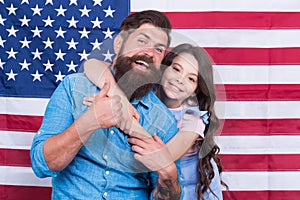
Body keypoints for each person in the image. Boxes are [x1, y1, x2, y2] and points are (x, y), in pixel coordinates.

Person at [30, 10, 183, 199]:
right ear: (119, 43)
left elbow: (170, 196)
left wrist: (169, 174)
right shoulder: (74, 88)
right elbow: (42, 165)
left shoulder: (163, 121)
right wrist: (90, 121)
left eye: (159, 49)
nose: (149, 53)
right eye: (142, 41)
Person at [83, 43, 228, 199]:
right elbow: (92, 65)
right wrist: (118, 97)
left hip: (190, 188)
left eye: (191, 79)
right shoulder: (144, 93)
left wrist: (120, 114)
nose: (180, 80)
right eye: (176, 69)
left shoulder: (193, 118)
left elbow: (162, 157)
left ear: (196, 89)